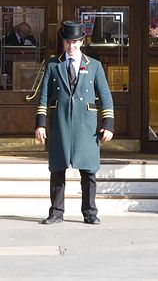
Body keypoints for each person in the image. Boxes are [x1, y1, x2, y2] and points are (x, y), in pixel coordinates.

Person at [34, 20, 114, 225]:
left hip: (86, 125)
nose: (71, 46)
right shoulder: (53, 64)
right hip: (60, 122)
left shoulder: (94, 65)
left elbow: (105, 96)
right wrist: (40, 124)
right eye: (68, 42)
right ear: (63, 43)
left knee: (88, 170)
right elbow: (43, 96)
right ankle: (56, 212)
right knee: (58, 169)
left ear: (82, 42)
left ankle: (90, 212)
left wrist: (108, 124)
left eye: (75, 42)